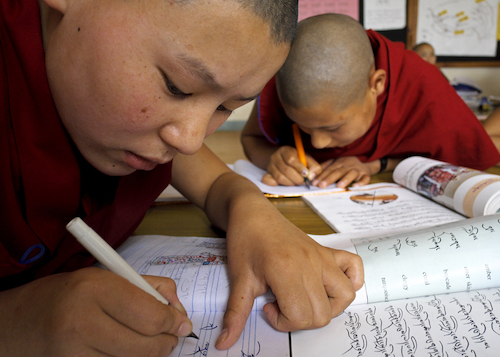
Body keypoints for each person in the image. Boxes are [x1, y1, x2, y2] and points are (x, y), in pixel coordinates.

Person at [0, 1, 364, 356]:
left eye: (225, 108)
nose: (190, 140)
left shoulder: (137, 131)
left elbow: (215, 182)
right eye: (177, 87)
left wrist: (251, 209)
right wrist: (14, 325)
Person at [241, 14, 499, 189]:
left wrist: (378, 164)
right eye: (304, 126)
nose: (317, 142)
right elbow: (251, 139)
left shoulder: (420, 81)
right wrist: (272, 157)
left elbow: (460, 160)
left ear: (376, 84)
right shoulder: (284, 79)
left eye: (332, 128)